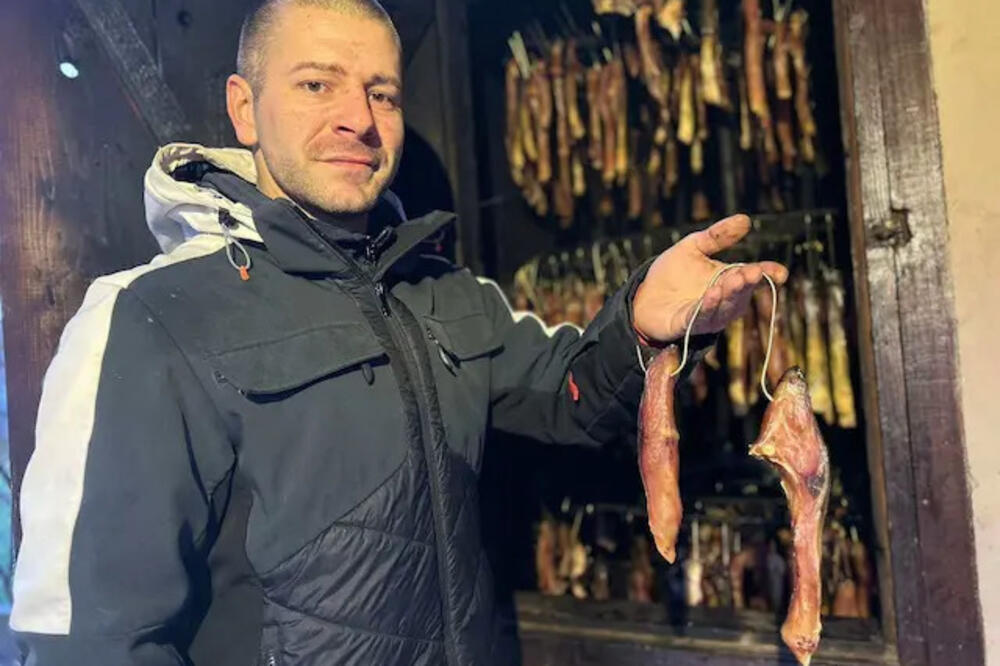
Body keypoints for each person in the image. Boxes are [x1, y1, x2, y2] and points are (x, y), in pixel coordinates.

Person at [9, 0, 787, 664]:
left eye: (381, 93)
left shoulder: (442, 293)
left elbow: (572, 398)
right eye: (317, 84)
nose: (359, 119)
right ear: (244, 109)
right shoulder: (149, 318)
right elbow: (89, 637)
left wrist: (641, 327)